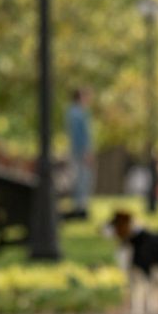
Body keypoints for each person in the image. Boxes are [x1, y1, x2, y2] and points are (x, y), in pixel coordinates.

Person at [65, 88, 94, 218]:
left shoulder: (73, 112)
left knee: (79, 178)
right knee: (82, 179)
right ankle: (80, 209)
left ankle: (79, 207)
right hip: (81, 152)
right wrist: (86, 152)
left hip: (76, 151)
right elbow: (81, 135)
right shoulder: (78, 113)